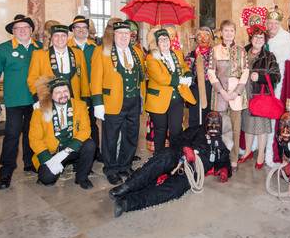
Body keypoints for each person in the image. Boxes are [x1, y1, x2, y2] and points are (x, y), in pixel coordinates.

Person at [109, 111, 232, 217]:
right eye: (210, 122)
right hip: (179, 156)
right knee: (163, 156)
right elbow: (178, 139)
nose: (213, 125)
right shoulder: (197, 130)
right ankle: (127, 187)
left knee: (173, 190)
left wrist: (225, 170)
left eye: (216, 123)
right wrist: (186, 148)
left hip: (191, 172)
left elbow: (224, 161)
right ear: (206, 123)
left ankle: (127, 203)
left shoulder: (221, 146)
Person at [0, 14, 43, 189]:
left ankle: (29, 162)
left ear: (31, 31)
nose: (23, 31)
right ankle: (6, 171)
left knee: (31, 134)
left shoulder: (40, 48)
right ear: (13, 31)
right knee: (11, 135)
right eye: (19, 28)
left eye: (26, 28)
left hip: (36, 100)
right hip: (14, 101)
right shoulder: (3, 49)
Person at [91, 20, 146, 185]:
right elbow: (95, 80)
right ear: (113, 35)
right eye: (120, 33)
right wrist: (98, 103)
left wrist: (142, 99)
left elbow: (141, 77)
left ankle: (125, 165)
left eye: (126, 33)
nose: (123, 36)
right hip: (112, 101)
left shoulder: (137, 51)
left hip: (133, 101)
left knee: (131, 135)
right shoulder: (102, 52)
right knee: (110, 137)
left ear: (131, 35)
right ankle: (111, 169)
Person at [29, 76, 95, 189]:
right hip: (51, 152)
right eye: (58, 92)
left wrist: (66, 151)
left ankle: (82, 177)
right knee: (47, 179)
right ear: (51, 94)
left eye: (65, 91)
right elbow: (35, 139)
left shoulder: (80, 105)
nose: (63, 95)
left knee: (90, 145)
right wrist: (49, 160)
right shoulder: (40, 111)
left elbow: (85, 130)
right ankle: (54, 167)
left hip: (70, 149)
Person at [145, 28, 196, 152]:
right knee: (160, 131)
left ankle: (174, 157)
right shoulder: (151, 58)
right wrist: (180, 80)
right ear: (156, 42)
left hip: (176, 100)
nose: (165, 41)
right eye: (161, 40)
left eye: (166, 38)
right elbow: (161, 78)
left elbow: (184, 66)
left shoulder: (177, 53)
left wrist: (188, 74)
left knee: (176, 130)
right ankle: (159, 158)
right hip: (158, 100)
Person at [207, 19, 249, 170]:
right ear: (221, 33)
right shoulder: (215, 50)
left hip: (236, 95)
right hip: (220, 94)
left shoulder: (241, 51)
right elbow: (211, 72)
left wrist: (236, 92)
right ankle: (220, 158)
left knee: (236, 128)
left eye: (232, 30)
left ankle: (233, 158)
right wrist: (221, 91)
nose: (229, 33)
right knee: (220, 127)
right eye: (226, 30)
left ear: (235, 33)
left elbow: (245, 72)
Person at [240, 24, 281, 168]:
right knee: (247, 124)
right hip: (245, 95)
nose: (258, 39)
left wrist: (261, 77)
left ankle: (261, 154)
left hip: (261, 97)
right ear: (251, 38)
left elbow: (277, 77)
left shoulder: (269, 56)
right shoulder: (243, 52)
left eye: (261, 37)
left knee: (261, 126)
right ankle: (247, 151)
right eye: (255, 36)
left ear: (265, 40)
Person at [266, 6, 290, 166]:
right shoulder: (265, 38)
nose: (273, 26)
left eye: (276, 23)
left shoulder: (286, 42)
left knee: (276, 119)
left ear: (280, 24)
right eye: (270, 23)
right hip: (265, 86)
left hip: (278, 88)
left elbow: (287, 72)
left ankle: (274, 153)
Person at [27, 24, 91, 107]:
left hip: (74, 99)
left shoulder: (78, 53)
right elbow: (33, 79)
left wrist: (85, 99)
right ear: (51, 38)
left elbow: (83, 79)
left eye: (63, 35)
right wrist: (38, 98)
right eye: (56, 36)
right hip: (49, 100)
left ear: (68, 38)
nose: (60, 39)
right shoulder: (39, 55)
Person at [68, 15, 102, 162]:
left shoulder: (95, 48)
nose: (81, 30)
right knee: (72, 123)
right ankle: (72, 153)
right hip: (71, 93)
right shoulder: (66, 46)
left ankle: (94, 151)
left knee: (91, 124)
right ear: (73, 30)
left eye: (84, 28)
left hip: (91, 92)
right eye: (78, 27)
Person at [184, 27, 214, 127]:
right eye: (199, 36)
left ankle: (207, 138)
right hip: (195, 88)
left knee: (208, 114)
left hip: (210, 87)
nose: (202, 39)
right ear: (196, 39)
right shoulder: (191, 55)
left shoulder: (214, 54)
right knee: (194, 116)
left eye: (206, 36)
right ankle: (194, 137)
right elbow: (186, 70)